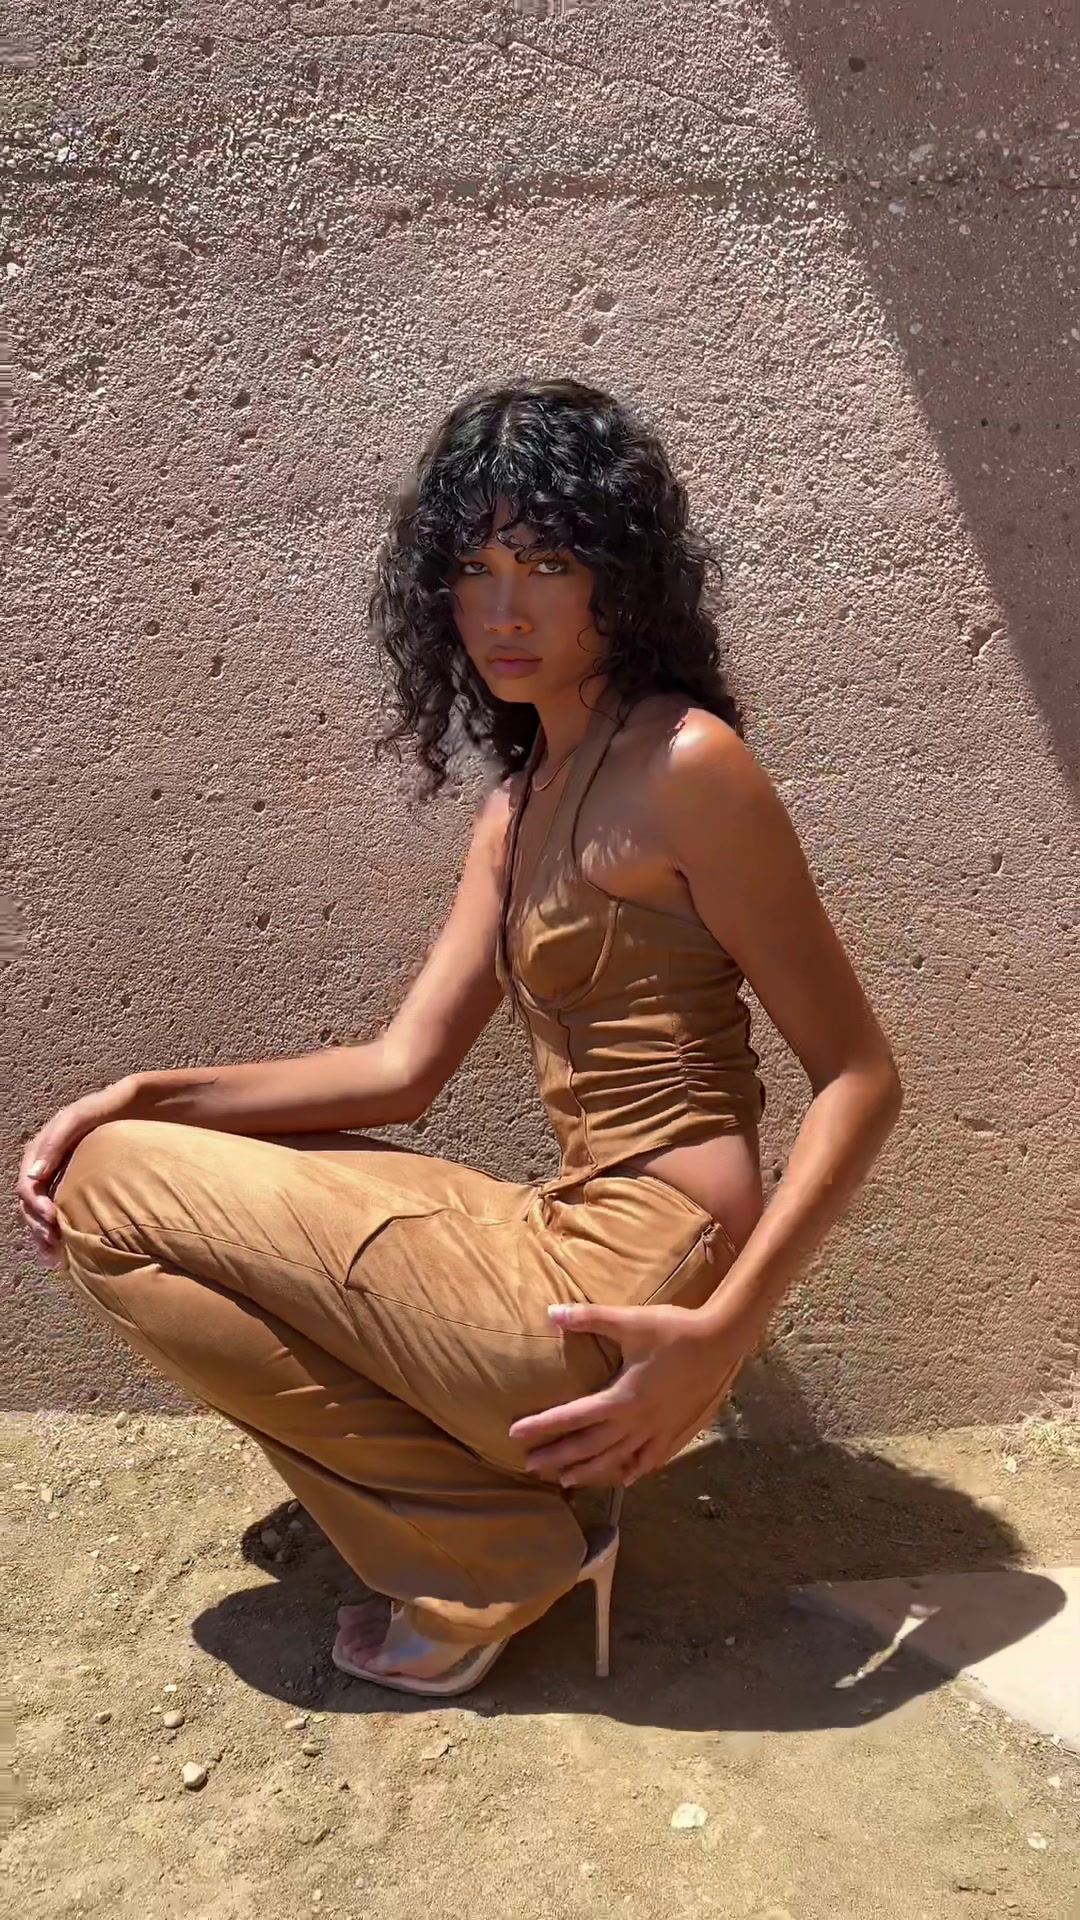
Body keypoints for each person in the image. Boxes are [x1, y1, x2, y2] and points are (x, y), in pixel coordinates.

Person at [16, 377, 902, 1697]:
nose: (505, 609)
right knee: (143, 1162)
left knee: (105, 1193)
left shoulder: (687, 765)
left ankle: (481, 1556)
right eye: (475, 569)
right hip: (571, 1234)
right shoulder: (522, 803)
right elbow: (402, 1070)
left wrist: (723, 1335)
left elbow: (861, 1077)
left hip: (644, 1282)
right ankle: (506, 1524)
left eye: (546, 563)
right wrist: (146, 1091)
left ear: (621, 578)